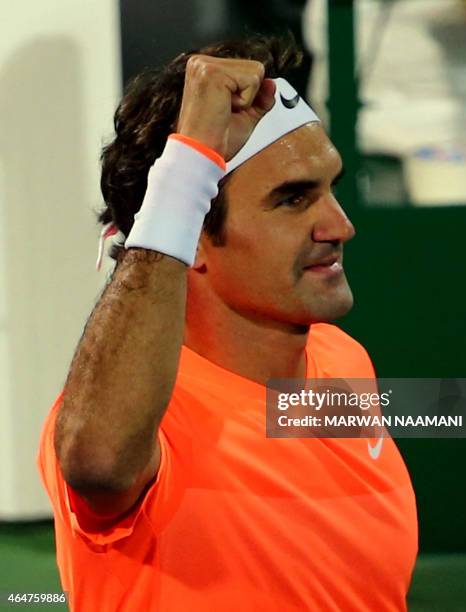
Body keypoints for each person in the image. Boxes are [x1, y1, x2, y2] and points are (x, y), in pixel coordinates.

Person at [37, 34, 418, 611]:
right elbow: (98, 464)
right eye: (293, 200)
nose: (339, 227)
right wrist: (187, 166)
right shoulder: (136, 427)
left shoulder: (341, 361)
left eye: (328, 190)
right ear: (191, 237)